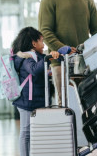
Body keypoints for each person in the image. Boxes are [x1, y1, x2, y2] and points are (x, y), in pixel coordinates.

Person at [38, 0, 97, 106]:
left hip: (85, 61)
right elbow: (45, 31)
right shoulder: (49, 0)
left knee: (89, 102)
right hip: (60, 62)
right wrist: (64, 48)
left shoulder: (87, 0)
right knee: (65, 103)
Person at [11, 26, 61, 156]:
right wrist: (49, 57)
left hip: (34, 99)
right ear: (34, 43)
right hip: (27, 101)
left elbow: (37, 73)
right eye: (41, 41)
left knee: (33, 131)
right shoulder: (26, 56)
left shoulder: (36, 56)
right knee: (26, 132)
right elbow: (34, 70)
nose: (43, 44)